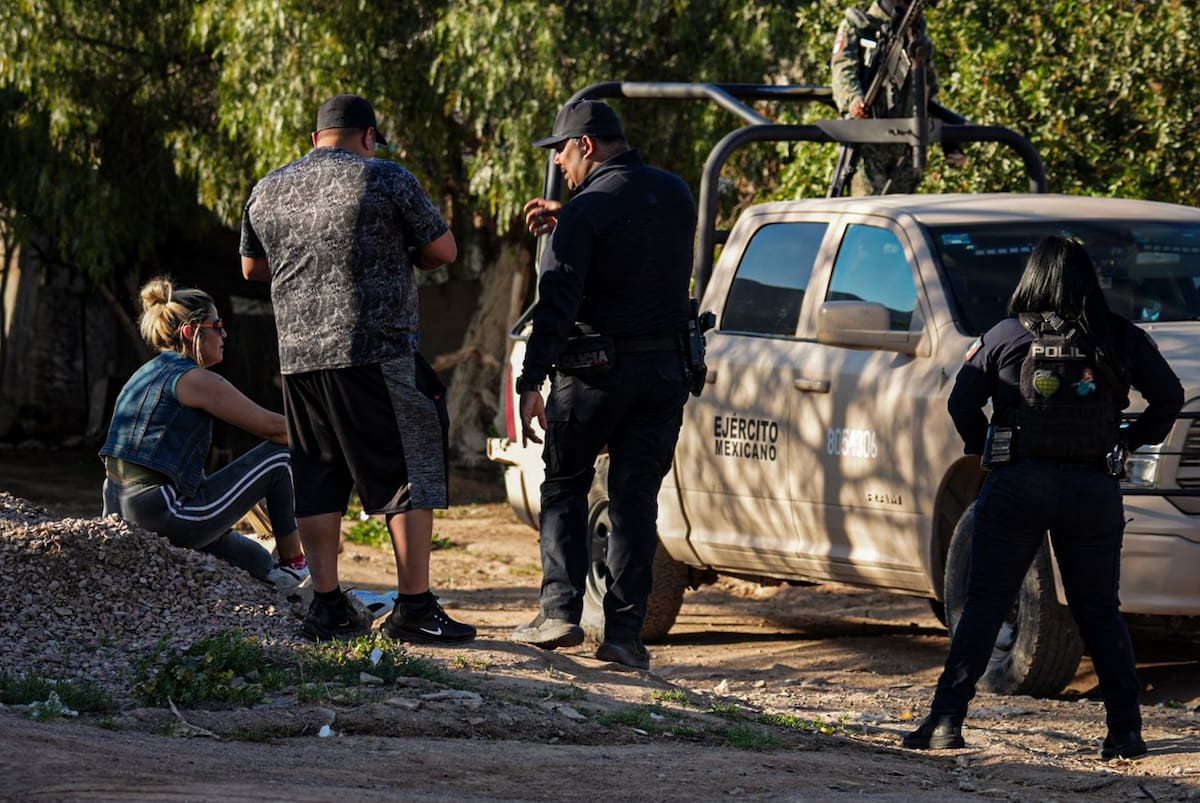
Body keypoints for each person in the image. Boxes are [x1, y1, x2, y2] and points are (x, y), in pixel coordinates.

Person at [904, 235, 1183, 759]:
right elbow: (1169, 397)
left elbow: (962, 400)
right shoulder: (1120, 337)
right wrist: (1126, 440)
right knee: (1099, 610)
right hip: (1092, 488)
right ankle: (1126, 732)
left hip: (1018, 484)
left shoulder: (1006, 335)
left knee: (985, 602)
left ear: (1032, 277)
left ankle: (945, 721)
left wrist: (984, 444)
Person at [240, 93, 475, 644]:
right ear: (369, 137)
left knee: (318, 476)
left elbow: (253, 267)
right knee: (410, 470)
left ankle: (326, 605)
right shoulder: (385, 177)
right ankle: (414, 607)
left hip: (299, 360)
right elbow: (444, 251)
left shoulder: (269, 187)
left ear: (313, 139)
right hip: (378, 351)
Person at [509, 100, 696, 670]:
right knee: (636, 501)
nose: (560, 164)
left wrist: (531, 379)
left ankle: (560, 611)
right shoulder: (675, 193)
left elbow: (557, 305)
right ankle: (623, 636)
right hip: (665, 374)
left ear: (585, 145)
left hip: (593, 376)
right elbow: (632, 239)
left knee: (564, 484)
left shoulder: (587, 212)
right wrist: (571, 217)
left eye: (561, 152)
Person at [99, 277, 308, 588]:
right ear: (190, 333)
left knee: (257, 562)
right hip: (163, 514)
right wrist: (341, 437)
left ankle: (286, 581)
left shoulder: (148, 371)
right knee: (279, 458)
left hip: (120, 512)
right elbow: (276, 429)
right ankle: (296, 565)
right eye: (217, 326)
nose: (224, 334)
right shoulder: (194, 379)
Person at [830, 0, 963, 195]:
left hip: (905, 149)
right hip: (868, 146)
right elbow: (843, 69)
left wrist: (950, 142)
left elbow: (928, 91)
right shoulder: (860, 26)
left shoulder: (917, 38)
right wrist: (853, 100)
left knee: (903, 217)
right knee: (870, 215)